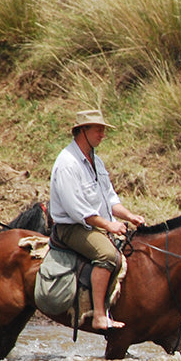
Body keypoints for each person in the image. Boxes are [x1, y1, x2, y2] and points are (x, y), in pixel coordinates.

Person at [48, 109, 146, 331]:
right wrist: (108, 224)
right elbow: (77, 210)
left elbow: (110, 198)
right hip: (72, 228)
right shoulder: (67, 163)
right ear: (83, 130)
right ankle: (100, 316)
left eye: (103, 130)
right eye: (99, 130)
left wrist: (129, 215)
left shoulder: (96, 161)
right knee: (108, 255)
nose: (103, 135)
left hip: (94, 224)